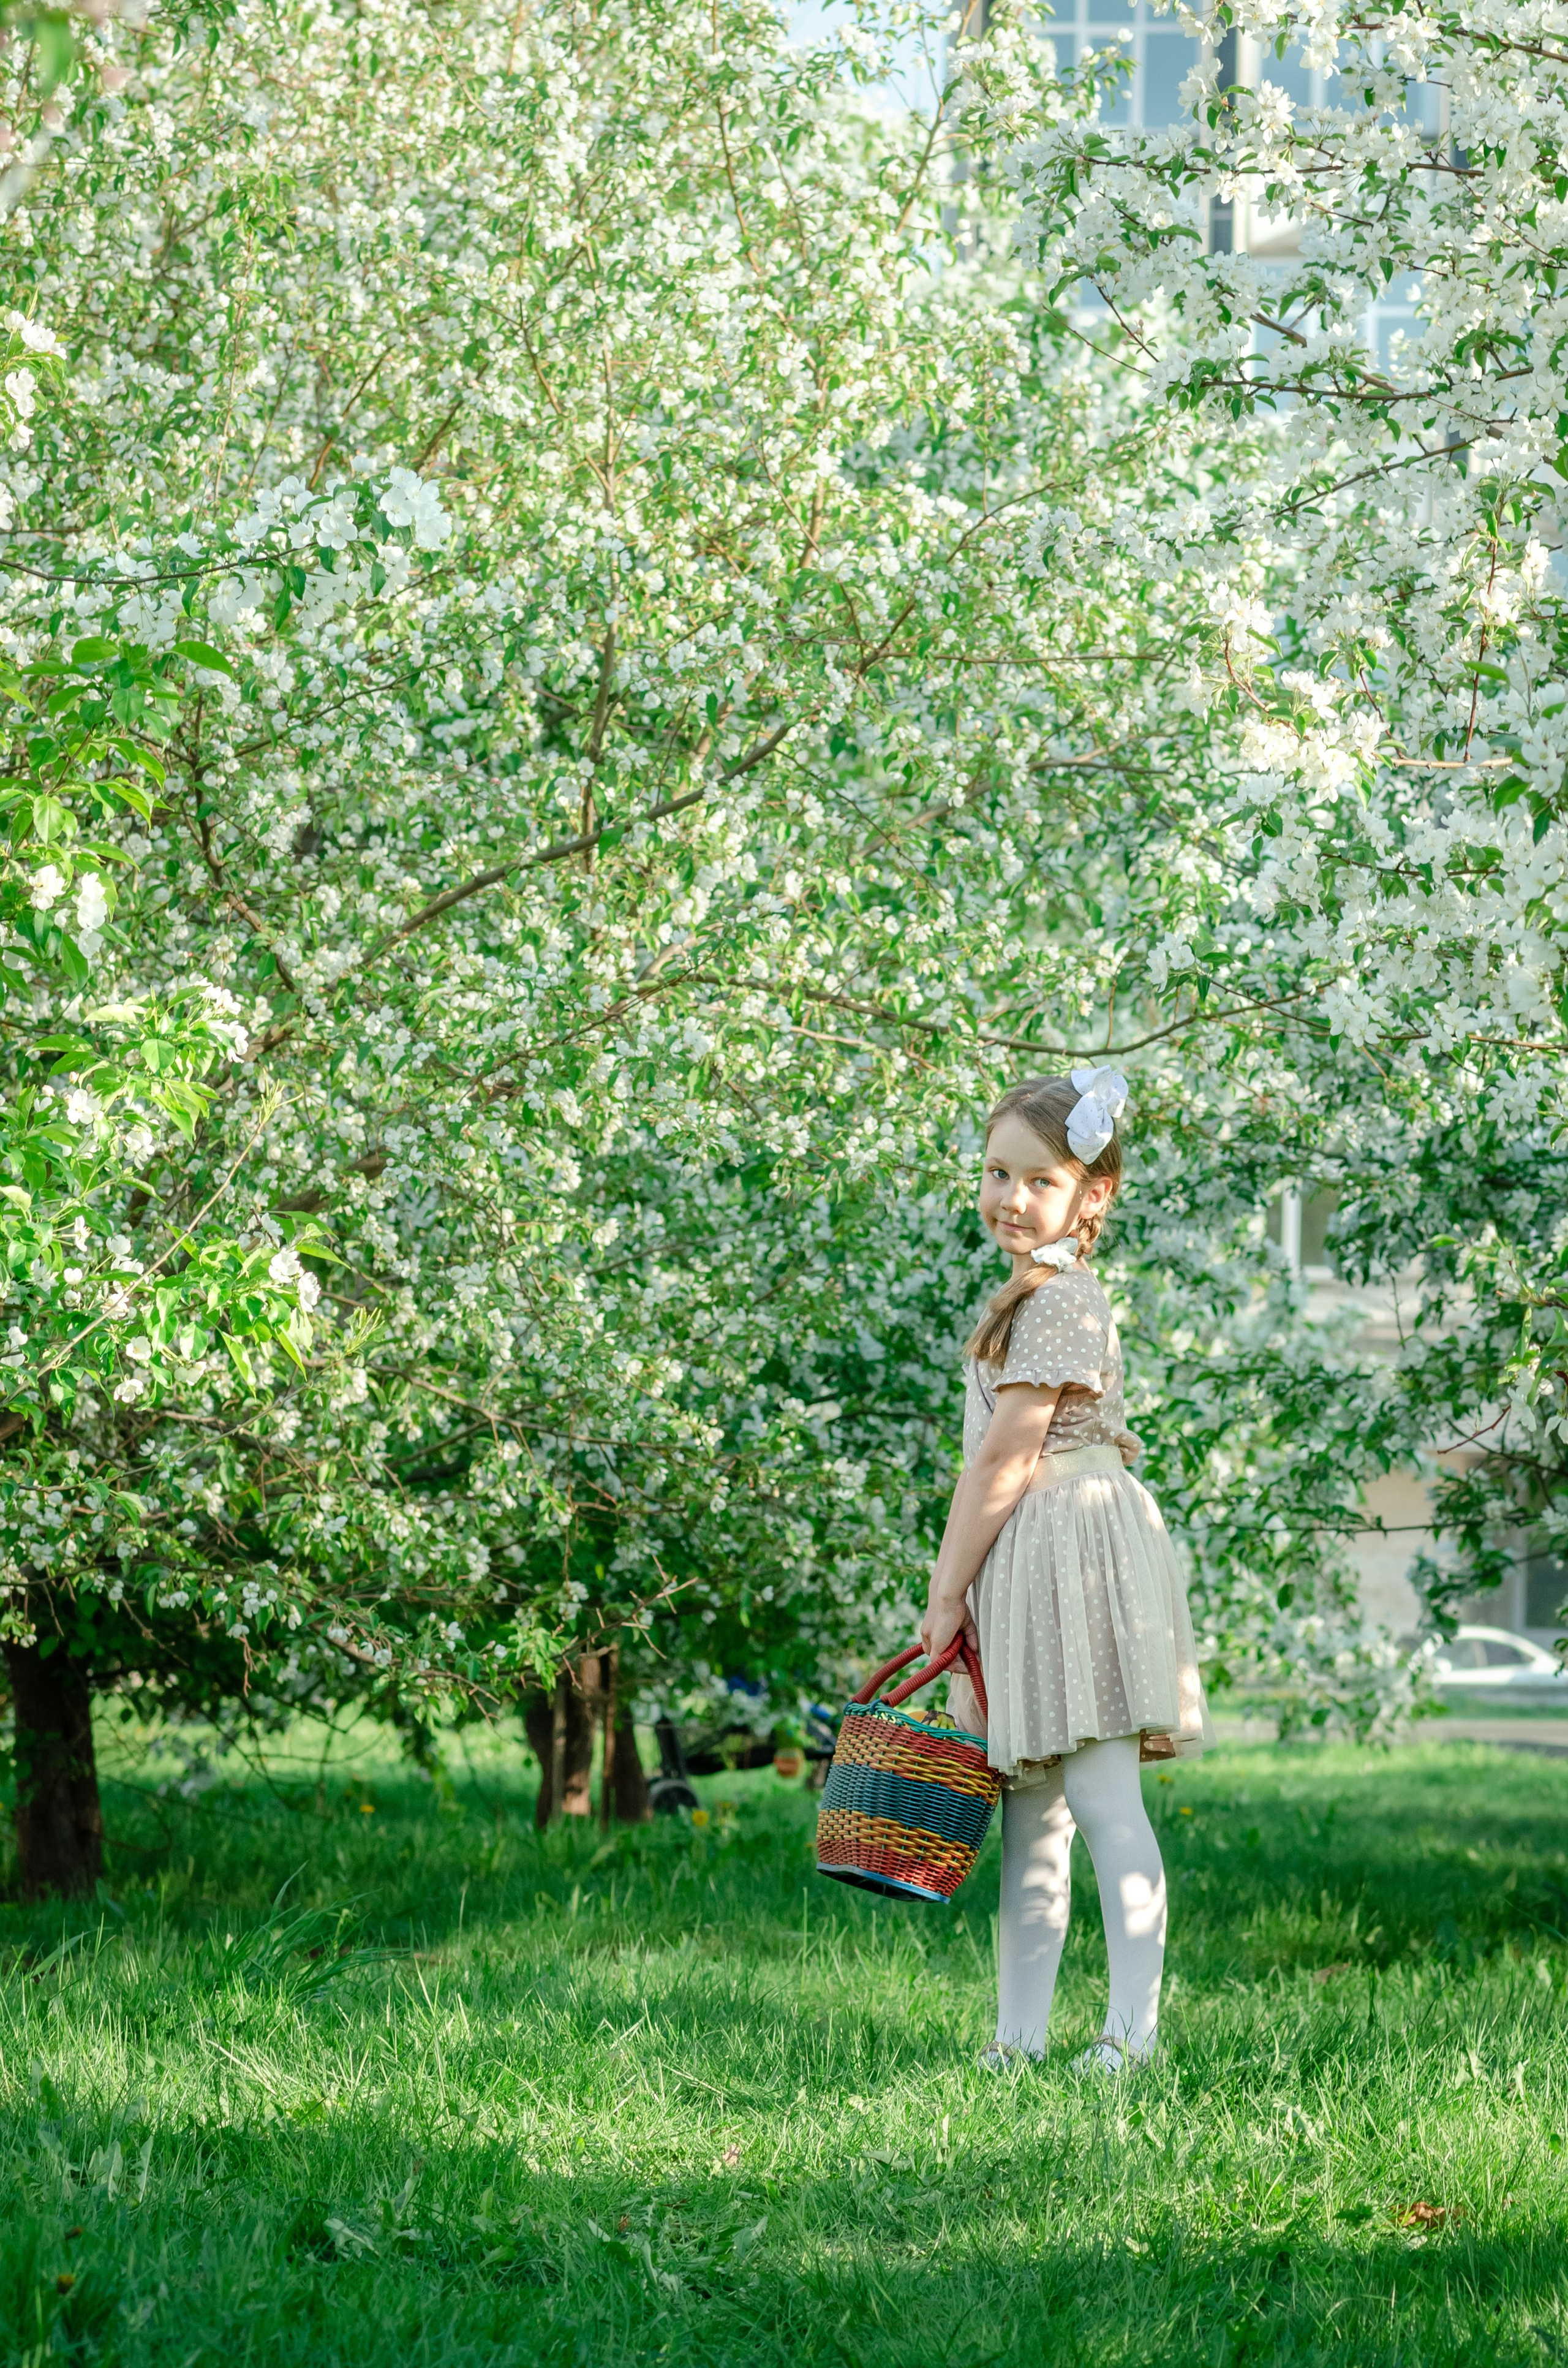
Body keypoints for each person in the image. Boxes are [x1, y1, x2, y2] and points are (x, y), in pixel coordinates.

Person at [922, 1070, 1210, 2075]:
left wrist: (947, 1589)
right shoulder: (1031, 1294)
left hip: (1074, 1551)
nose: (1009, 1196)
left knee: (1098, 1798)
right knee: (1032, 1809)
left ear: (1093, 1194)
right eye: (996, 1172)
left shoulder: (1062, 1301)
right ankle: (1018, 2037)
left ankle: (1132, 2038)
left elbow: (1005, 1458)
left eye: (1037, 1178)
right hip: (1035, 1557)